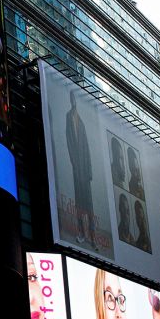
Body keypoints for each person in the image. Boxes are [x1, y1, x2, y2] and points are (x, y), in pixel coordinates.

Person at [65, 91, 93, 247]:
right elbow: (69, 141)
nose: (73, 100)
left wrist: (89, 170)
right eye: (71, 98)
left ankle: (92, 234)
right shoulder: (68, 117)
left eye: (75, 98)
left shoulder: (81, 122)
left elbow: (87, 148)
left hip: (85, 169)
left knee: (89, 203)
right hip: (77, 169)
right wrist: (74, 164)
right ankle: (82, 232)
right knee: (79, 202)